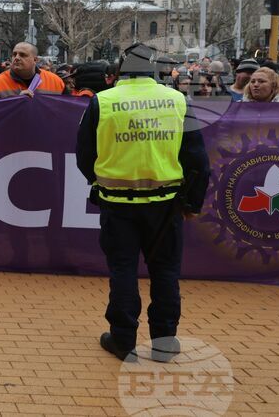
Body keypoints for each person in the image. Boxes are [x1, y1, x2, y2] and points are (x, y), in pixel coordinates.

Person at [75, 43, 210, 363]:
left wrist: (98, 181)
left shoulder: (102, 102)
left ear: (120, 70)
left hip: (117, 203)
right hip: (165, 204)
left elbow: (84, 155)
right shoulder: (177, 100)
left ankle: (122, 340)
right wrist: (193, 202)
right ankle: (164, 341)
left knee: (122, 269)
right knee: (165, 271)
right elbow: (196, 159)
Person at [0, 43, 65, 98]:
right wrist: (17, 102)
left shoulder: (56, 82)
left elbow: (66, 111)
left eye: (22, 55)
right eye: (14, 54)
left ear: (35, 60)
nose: (16, 58)